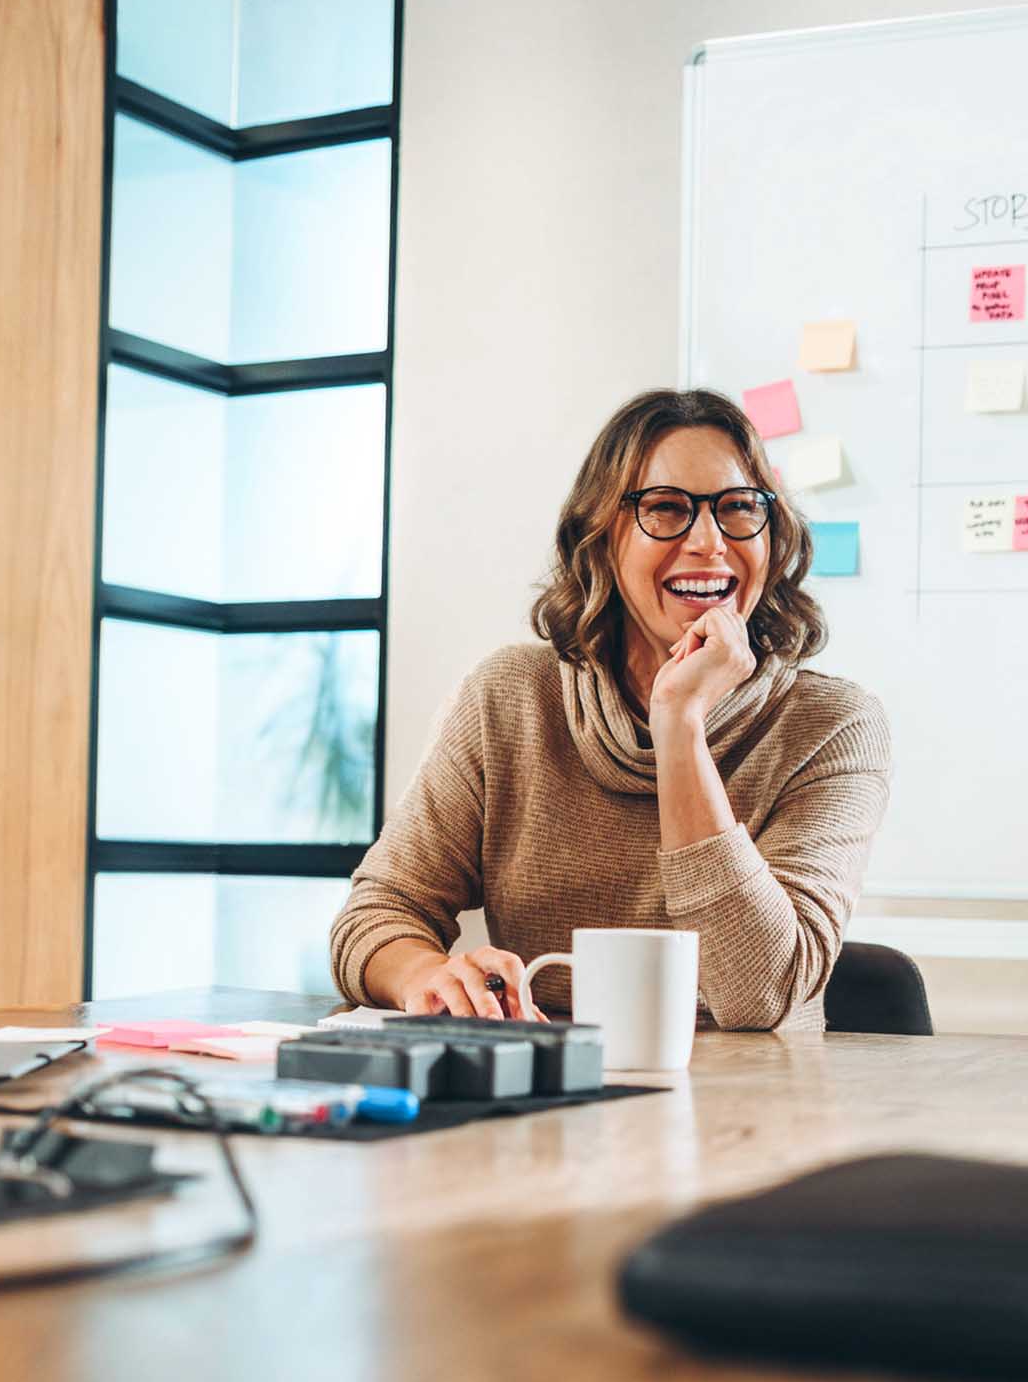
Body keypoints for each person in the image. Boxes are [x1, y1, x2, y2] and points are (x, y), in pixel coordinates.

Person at [329, 389, 891, 1030]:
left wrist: (679, 725)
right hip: (546, 1098)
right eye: (665, 509)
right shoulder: (510, 697)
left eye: (739, 508)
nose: (709, 542)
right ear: (600, 536)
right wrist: (424, 976)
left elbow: (758, 994)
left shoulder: (834, 726)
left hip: (751, 1109)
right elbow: (379, 911)